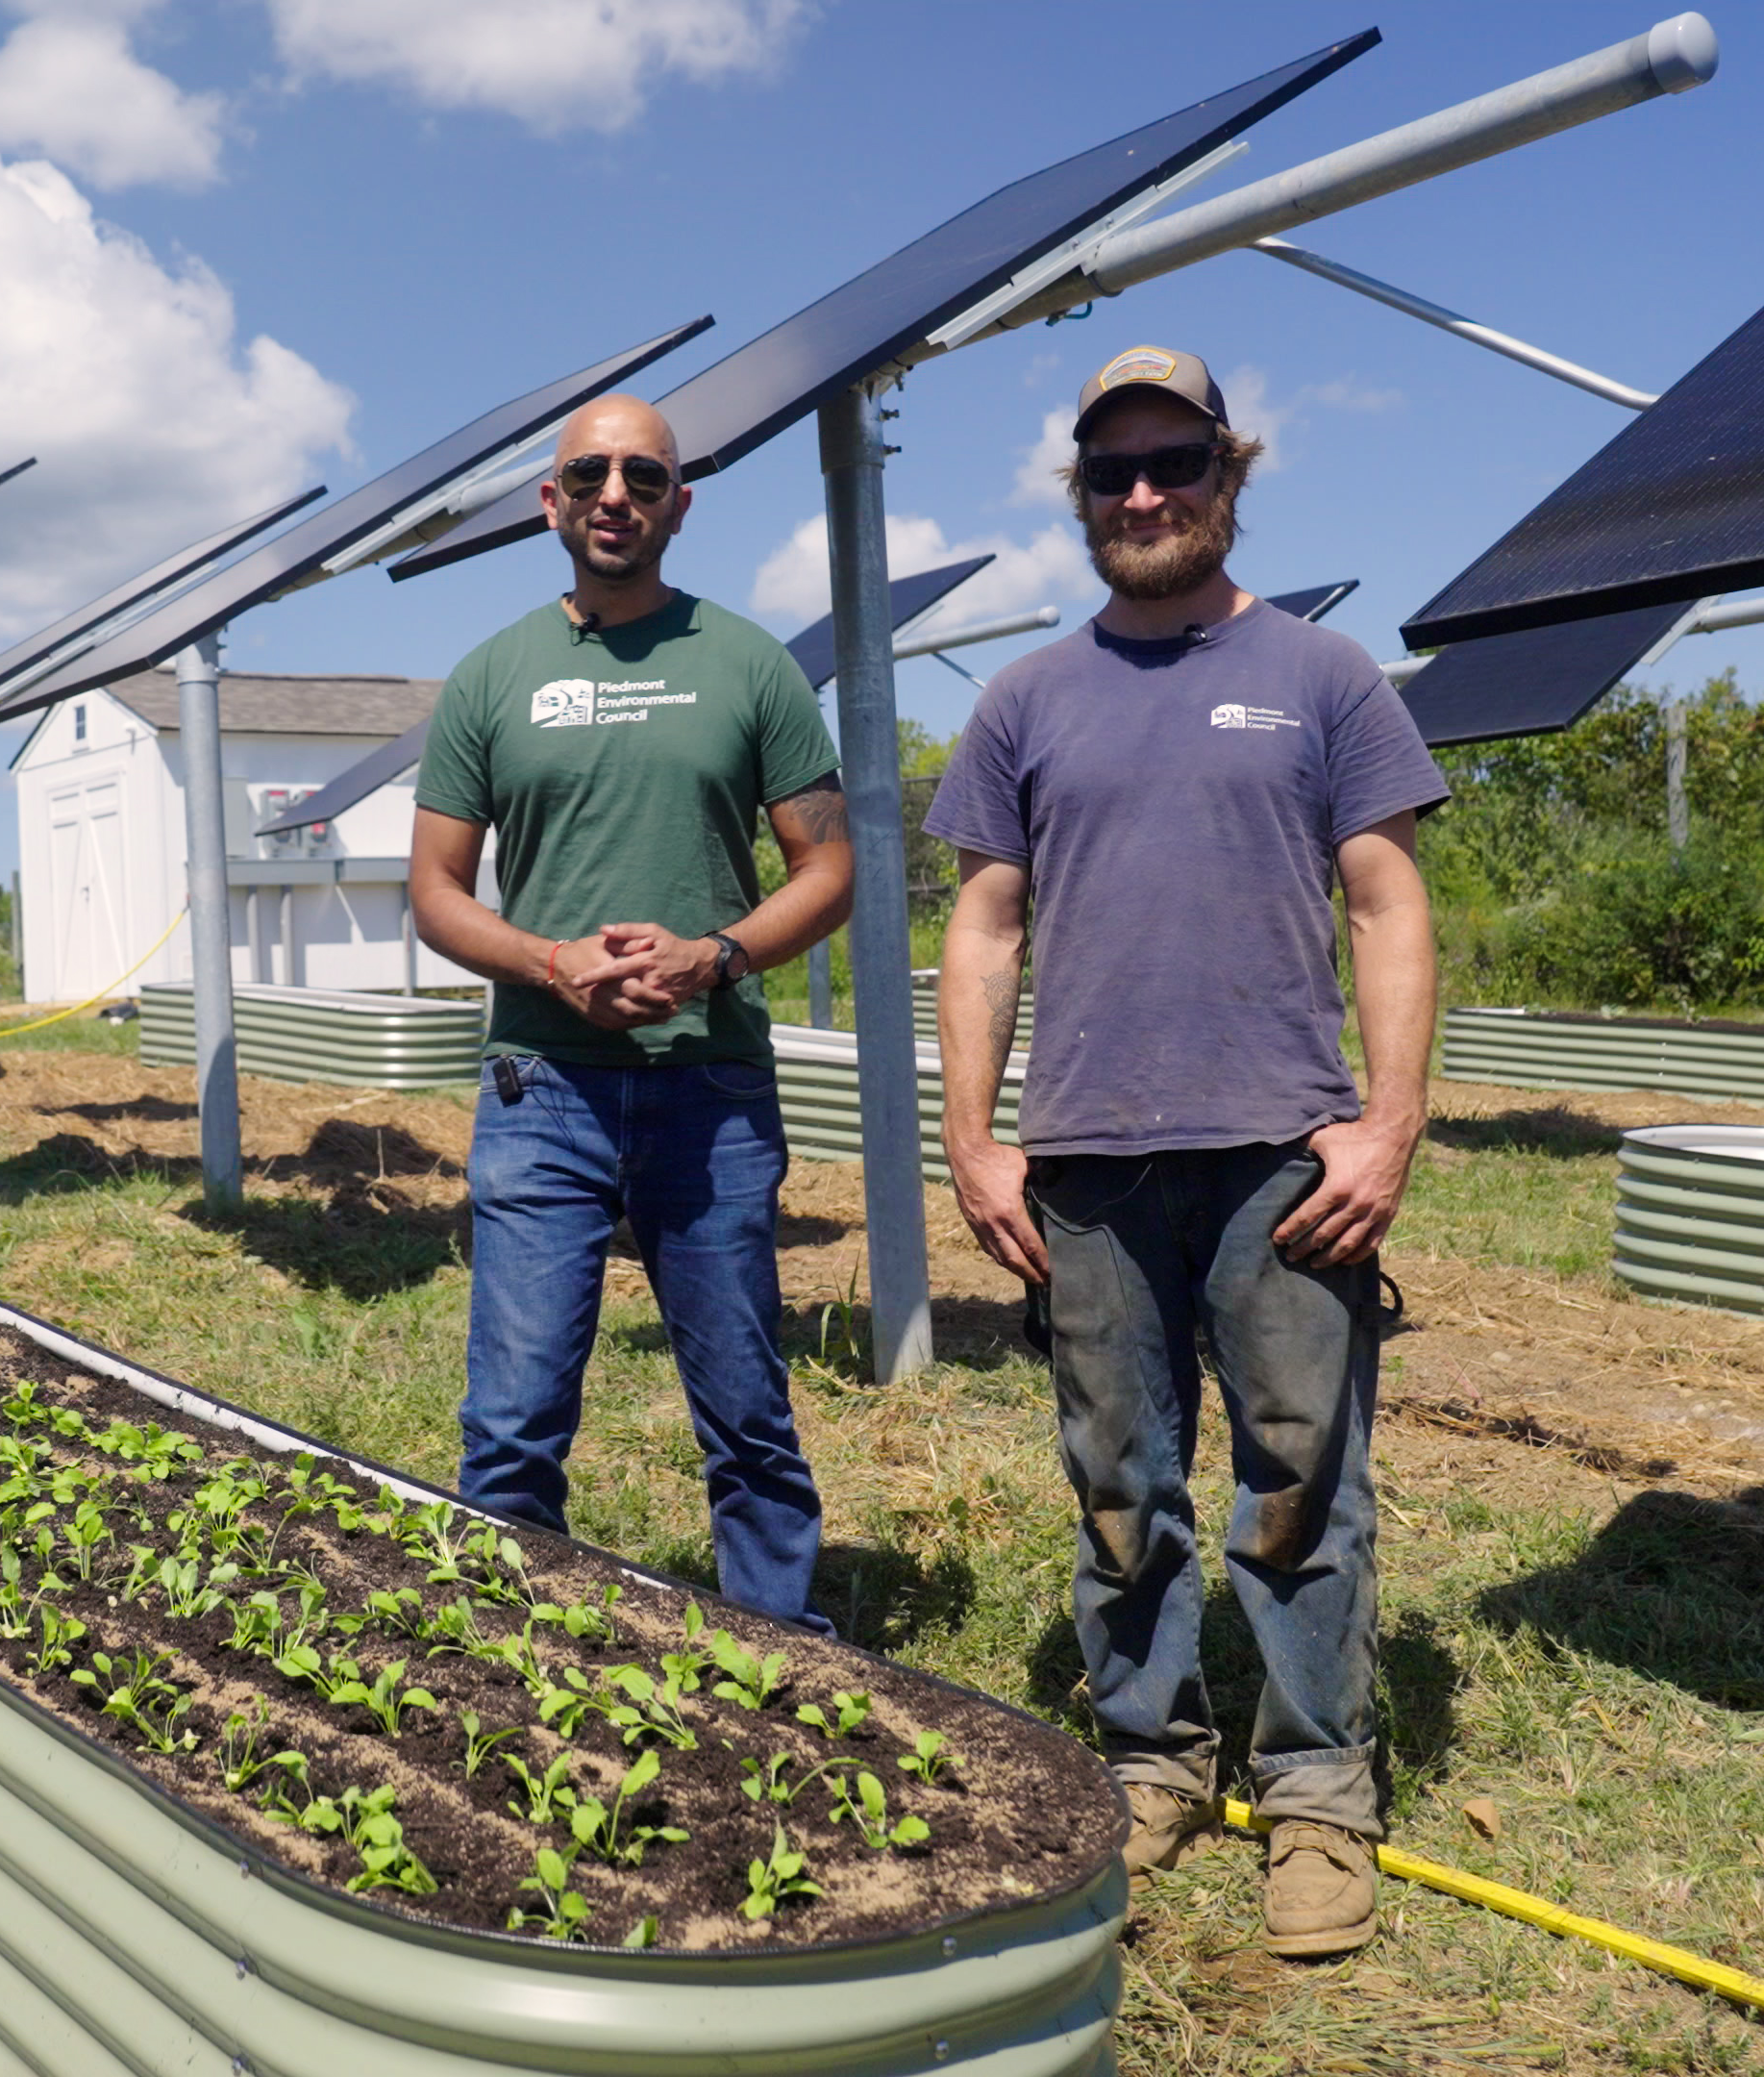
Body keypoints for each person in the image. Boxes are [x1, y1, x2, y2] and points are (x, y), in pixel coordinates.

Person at [924, 345, 1446, 1957]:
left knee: (1301, 1487)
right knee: (1117, 1484)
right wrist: (972, 1141)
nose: (1142, 494)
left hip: (1283, 1165)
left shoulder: (1324, 675)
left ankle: (1316, 1801)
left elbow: (1389, 902)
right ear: (1081, 495)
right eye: (1111, 472)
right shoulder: (1026, 697)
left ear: (1233, 473)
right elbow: (985, 926)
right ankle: (1148, 1757)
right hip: (1085, 1163)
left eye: (1174, 464)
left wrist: (1391, 1124)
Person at [406, 393, 857, 1630]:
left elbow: (830, 870)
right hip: (539, 1089)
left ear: (679, 504)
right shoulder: (492, 676)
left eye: (645, 478)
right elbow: (435, 895)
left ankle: (781, 1657)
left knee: (748, 1414)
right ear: (551, 502)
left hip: (708, 1086)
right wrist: (555, 966)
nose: (617, 494)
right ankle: (506, 1660)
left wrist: (714, 956)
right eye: (591, 474)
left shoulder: (749, 664)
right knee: (512, 1422)